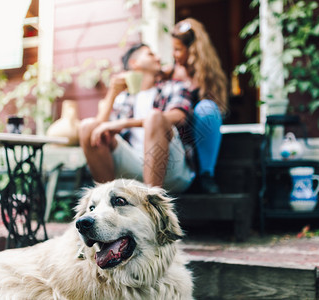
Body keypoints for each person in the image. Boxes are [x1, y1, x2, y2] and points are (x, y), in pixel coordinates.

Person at [78, 43, 195, 193]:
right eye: (150, 54)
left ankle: (152, 204)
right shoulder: (123, 98)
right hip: (134, 165)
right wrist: (112, 94)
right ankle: (107, 201)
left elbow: (179, 116)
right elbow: (96, 134)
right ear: (134, 63)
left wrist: (125, 123)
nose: (158, 57)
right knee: (87, 127)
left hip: (172, 169)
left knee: (155, 117)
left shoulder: (172, 87)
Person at [166, 17, 228, 194]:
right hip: (177, 132)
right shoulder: (170, 72)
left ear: (192, 49)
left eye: (178, 49)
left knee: (207, 108)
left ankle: (206, 174)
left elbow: (217, 110)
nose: (174, 54)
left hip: (199, 131)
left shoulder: (208, 75)